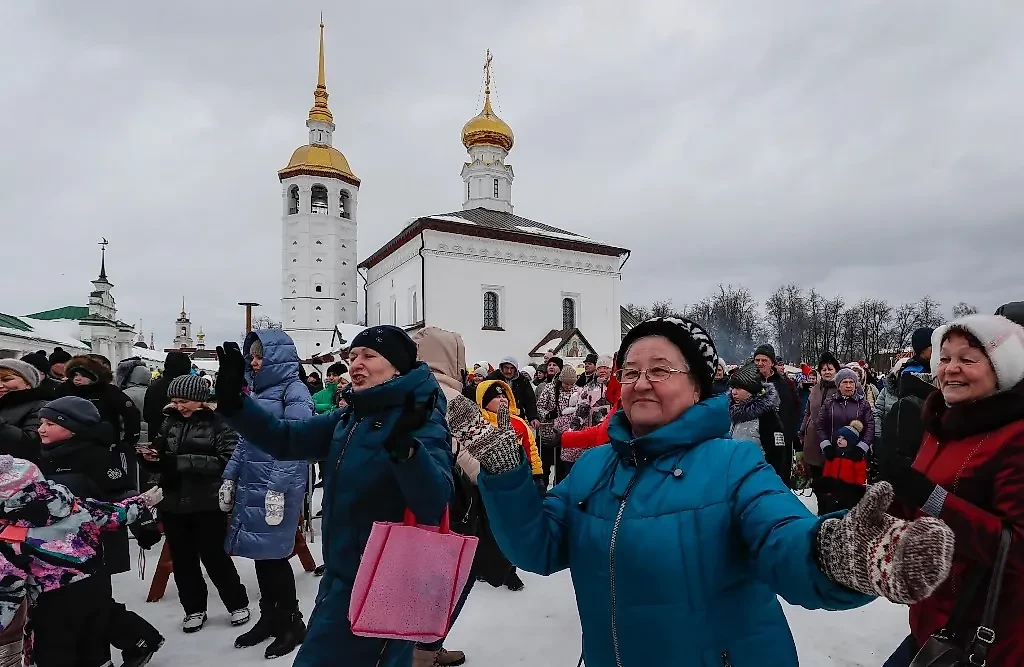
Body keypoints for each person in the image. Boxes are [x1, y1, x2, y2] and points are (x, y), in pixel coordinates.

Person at [447, 316, 954, 667]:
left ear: (697, 387)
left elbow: (781, 536)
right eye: (629, 372)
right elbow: (538, 547)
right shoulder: (596, 466)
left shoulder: (732, 463)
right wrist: (505, 473)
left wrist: (840, 552)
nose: (641, 382)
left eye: (660, 370)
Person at [214, 325, 453, 667]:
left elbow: (434, 501)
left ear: (398, 367)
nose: (357, 363)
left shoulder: (420, 417)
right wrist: (235, 404)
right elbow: (285, 439)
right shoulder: (351, 416)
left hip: (385, 583)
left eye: (369, 356)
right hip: (341, 576)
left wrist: (408, 451)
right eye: (353, 356)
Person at [877, 315, 1024, 666]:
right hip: (932, 620)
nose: (951, 369)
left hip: (987, 638)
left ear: (1002, 369)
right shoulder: (941, 424)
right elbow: (918, 508)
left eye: (968, 359)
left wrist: (931, 497)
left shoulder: (1016, 436)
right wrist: (880, 500)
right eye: (944, 358)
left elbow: (1017, 547)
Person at [35, 396, 167, 667]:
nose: (41, 429)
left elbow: (122, 493)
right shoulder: (44, 454)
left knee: (89, 606)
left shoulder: (95, 456)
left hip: (95, 545)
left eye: (50, 423)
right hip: (53, 550)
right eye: (41, 423)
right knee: (80, 606)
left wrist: (143, 525)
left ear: (74, 428)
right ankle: (140, 638)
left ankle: (120, 648)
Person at [0, 455, 162, 667]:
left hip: (54, 604)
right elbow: (115, 513)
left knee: (55, 651)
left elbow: (8, 590)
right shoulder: (74, 507)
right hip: (96, 584)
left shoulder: (11, 535)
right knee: (95, 634)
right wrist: (142, 502)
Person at [217, 331, 312, 659]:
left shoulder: (294, 389)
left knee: (274, 556)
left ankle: (290, 621)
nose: (254, 363)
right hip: (252, 482)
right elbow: (246, 439)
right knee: (261, 554)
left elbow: (297, 442)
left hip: (277, 485)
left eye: (260, 357)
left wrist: (278, 488)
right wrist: (230, 476)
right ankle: (269, 616)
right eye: (252, 357)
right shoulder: (258, 391)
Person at [139, 375, 250, 634]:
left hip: (207, 500)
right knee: (183, 558)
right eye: (175, 401)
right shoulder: (170, 421)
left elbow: (226, 462)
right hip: (174, 499)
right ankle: (194, 608)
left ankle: (236, 602)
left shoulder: (220, 422)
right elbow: (162, 452)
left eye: (184, 400)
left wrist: (176, 462)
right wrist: (151, 459)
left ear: (200, 400)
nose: (178, 406)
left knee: (214, 556)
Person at [409, 327, 480, 667]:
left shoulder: (401, 390)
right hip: (449, 505)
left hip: (404, 504)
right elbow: (481, 463)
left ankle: (415, 649)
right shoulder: (453, 399)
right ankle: (425, 653)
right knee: (448, 581)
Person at [58, 355, 142, 489]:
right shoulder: (64, 390)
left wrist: (129, 440)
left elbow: (131, 413)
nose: (77, 379)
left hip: (105, 447)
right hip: (71, 446)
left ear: (93, 375)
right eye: (74, 375)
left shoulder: (108, 391)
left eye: (82, 375)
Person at [727, 363, 788, 481]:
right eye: (732, 388)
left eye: (738, 388)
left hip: (758, 477)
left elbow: (777, 453)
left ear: (751, 390)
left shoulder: (766, 416)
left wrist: (771, 480)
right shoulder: (734, 412)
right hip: (735, 476)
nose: (733, 392)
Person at [557, 354, 614, 476]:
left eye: (606, 367)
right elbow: (581, 411)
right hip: (596, 435)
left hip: (614, 433)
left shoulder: (618, 386)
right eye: (599, 368)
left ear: (612, 369)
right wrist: (572, 431)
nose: (602, 371)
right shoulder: (589, 387)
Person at [753, 344, 799, 484]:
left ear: (772, 363)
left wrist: (789, 433)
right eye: (757, 360)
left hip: (780, 441)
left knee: (778, 481)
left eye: (764, 360)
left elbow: (795, 409)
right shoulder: (749, 382)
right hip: (755, 441)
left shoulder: (786, 384)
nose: (760, 363)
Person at [816, 368, 876, 466]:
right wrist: (825, 445)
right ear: (838, 385)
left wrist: (862, 447)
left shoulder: (863, 404)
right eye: (844, 382)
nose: (848, 386)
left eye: (851, 382)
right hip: (833, 453)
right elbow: (820, 425)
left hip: (855, 454)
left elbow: (870, 427)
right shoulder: (829, 403)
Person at [798, 353, 841, 481]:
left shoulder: (842, 388)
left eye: (830, 369)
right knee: (816, 476)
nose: (827, 372)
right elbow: (808, 412)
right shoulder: (815, 389)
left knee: (831, 477)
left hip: (833, 438)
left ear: (836, 370)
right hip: (813, 437)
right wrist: (801, 431)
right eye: (823, 369)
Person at [535, 365, 577, 487]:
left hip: (566, 435)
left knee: (561, 467)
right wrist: (547, 415)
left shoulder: (577, 390)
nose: (568, 387)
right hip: (549, 432)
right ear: (561, 380)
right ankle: (543, 490)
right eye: (566, 384)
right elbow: (540, 406)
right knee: (545, 465)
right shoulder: (549, 389)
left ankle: (558, 490)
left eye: (571, 385)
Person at [814, 420, 868, 514]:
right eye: (839, 437)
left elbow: (860, 474)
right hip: (833, 490)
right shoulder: (833, 454)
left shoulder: (856, 458)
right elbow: (827, 471)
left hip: (849, 492)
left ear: (851, 441)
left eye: (843, 438)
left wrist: (858, 490)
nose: (839, 440)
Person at [0, 360, 47, 462]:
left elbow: (31, 444)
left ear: (28, 383)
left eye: (6, 379)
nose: (0, 385)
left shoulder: (41, 406)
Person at [144, 351, 192, 437]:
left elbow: (147, 414)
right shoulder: (185, 388)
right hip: (180, 438)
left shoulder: (154, 386)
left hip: (155, 435)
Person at [486, 356, 538, 425]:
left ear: (515, 369)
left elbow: (529, 400)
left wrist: (533, 417)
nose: (509, 371)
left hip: (517, 416)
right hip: (495, 418)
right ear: (501, 367)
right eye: (506, 368)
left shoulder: (522, 381)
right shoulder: (492, 379)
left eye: (512, 368)